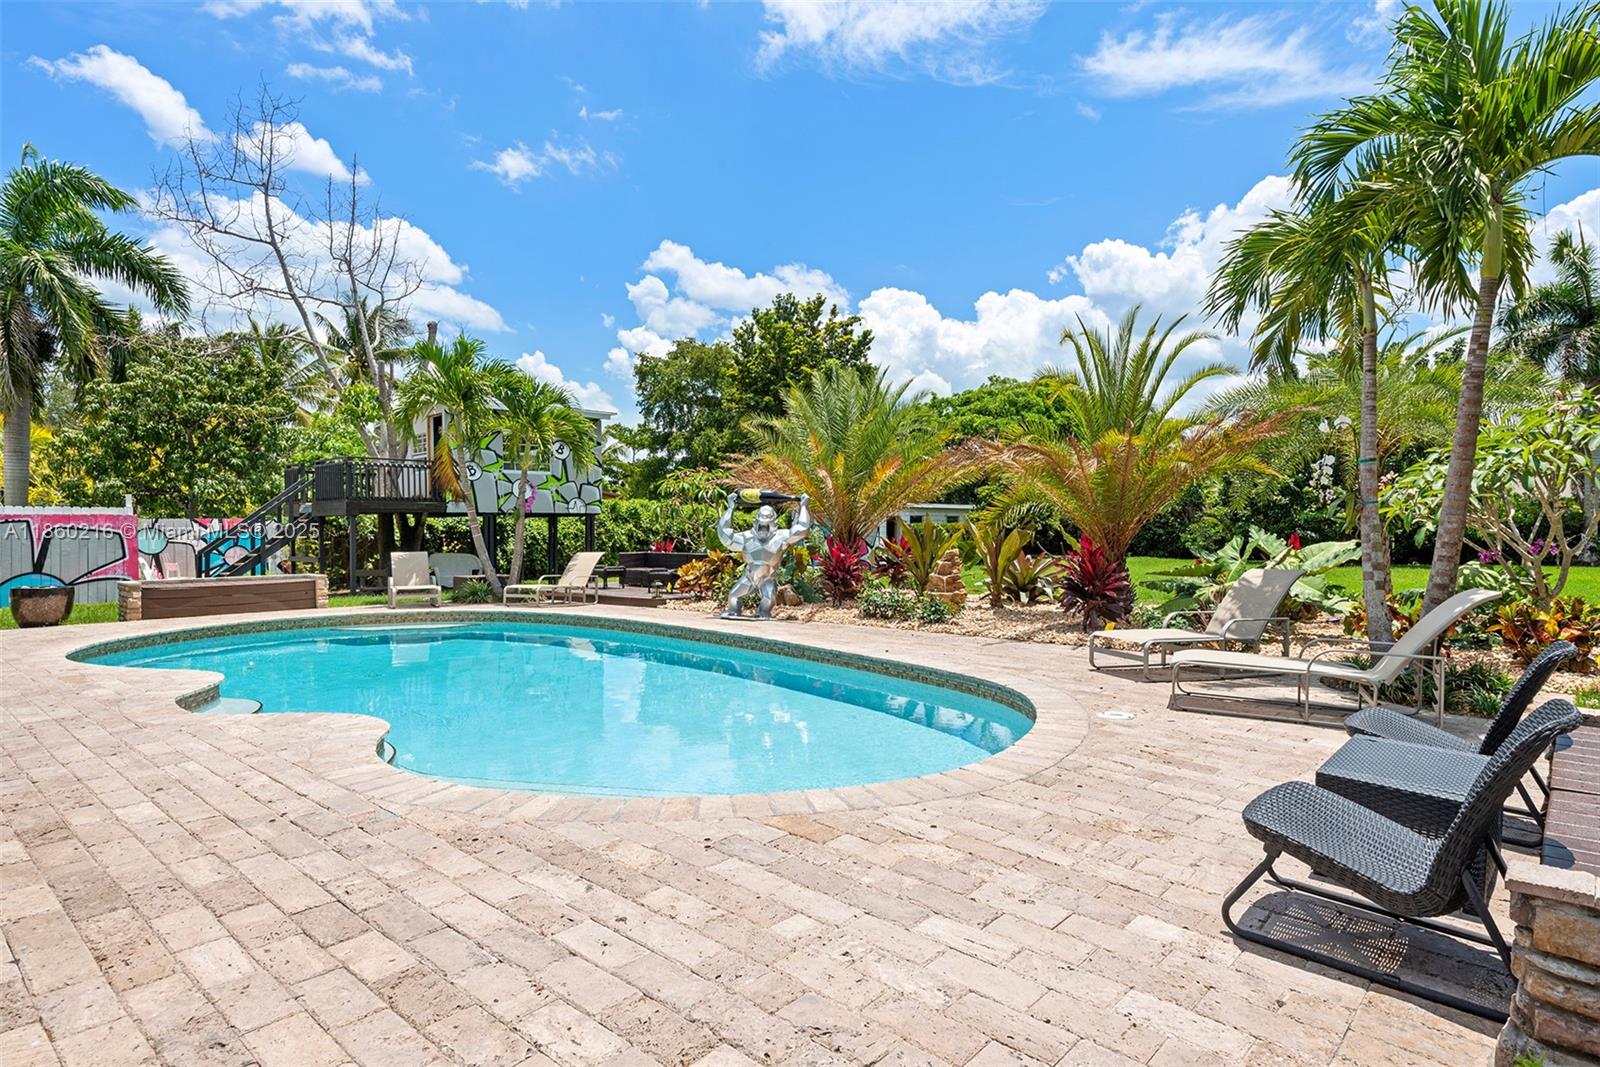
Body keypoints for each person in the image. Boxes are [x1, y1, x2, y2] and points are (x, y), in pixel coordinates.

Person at [717, 490, 810, 619]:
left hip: (768, 578)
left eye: (767, 524)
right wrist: (730, 508)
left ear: (774, 524)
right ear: (755, 523)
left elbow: (802, 530)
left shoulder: (781, 537)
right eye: (761, 524)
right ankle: (734, 610)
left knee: (768, 600)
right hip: (749, 577)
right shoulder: (746, 537)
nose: (763, 528)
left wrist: (804, 507)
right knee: (733, 596)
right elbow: (725, 536)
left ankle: (763, 612)